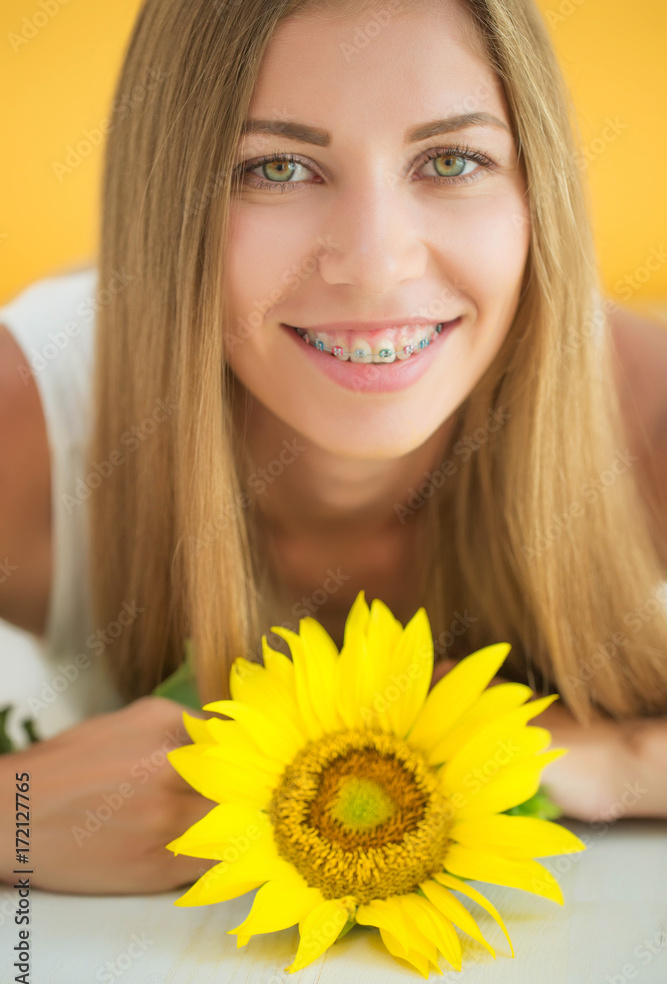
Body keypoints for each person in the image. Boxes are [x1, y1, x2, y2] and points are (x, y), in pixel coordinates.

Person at [1, 0, 667, 896]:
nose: (375, 263)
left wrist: (601, 757)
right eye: (276, 168)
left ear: (534, 190)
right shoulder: (29, 417)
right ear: (169, 200)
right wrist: (15, 816)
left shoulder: (647, 413)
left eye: (450, 160)